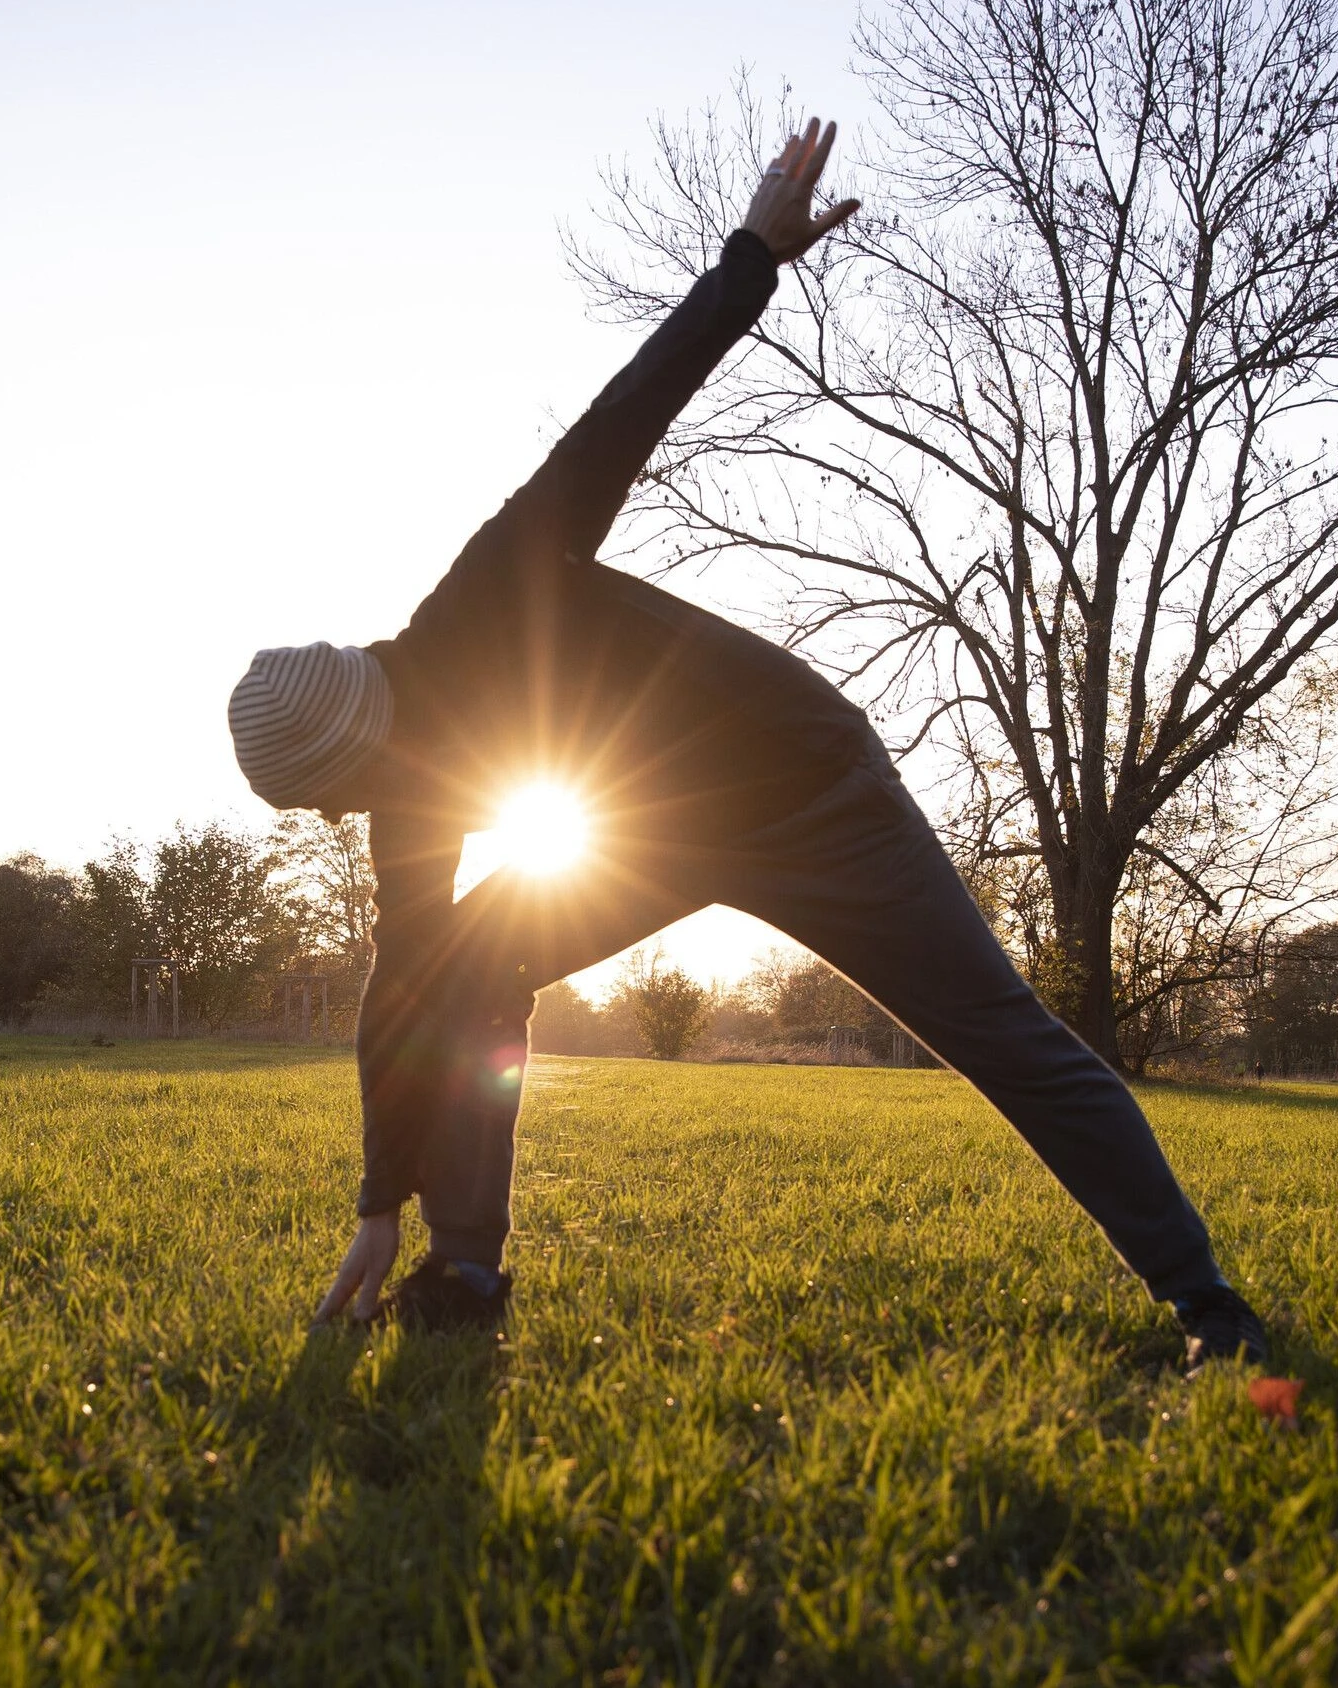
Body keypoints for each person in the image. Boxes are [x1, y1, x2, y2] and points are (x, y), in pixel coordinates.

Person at [224, 120, 1266, 1371]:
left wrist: (752, 259)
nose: (356, 819)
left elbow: (617, 423)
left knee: (996, 1028)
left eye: (336, 802)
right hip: (653, 831)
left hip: (812, 788)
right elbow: (401, 995)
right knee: (457, 965)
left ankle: (1210, 1302)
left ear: (352, 761)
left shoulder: (486, 597)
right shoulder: (407, 791)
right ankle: (461, 1271)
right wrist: (374, 1207)